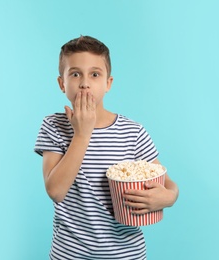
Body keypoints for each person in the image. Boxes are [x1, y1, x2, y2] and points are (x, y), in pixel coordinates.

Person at [34, 35, 179, 260]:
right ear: (62, 83)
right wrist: (82, 133)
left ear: (108, 83)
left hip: (126, 254)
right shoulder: (54, 126)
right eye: (75, 74)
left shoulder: (133, 132)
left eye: (95, 74)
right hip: (70, 254)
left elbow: (168, 183)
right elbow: (56, 191)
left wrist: (169, 198)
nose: (84, 82)